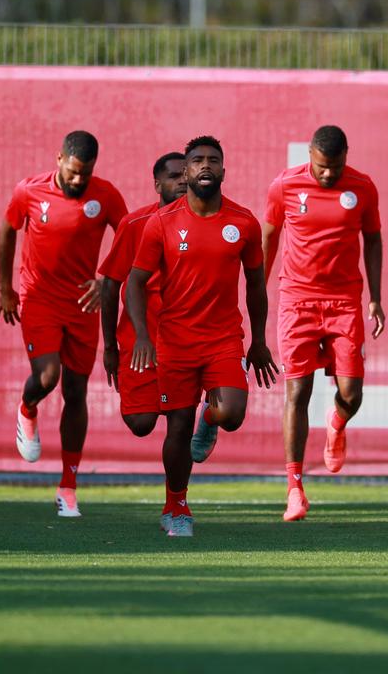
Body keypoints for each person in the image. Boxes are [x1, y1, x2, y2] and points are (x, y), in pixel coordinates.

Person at [127, 135, 278, 537]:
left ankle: (209, 419)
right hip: (175, 341)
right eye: (197, 160)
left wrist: (259, 341)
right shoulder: (162, 222)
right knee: (176, 427)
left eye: (213, 160)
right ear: (187, 170)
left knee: (231, 414)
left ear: (224, 170)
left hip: (223, 339)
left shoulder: (243, 222)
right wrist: (142, 335)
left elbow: (256, 285)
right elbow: (135, 282)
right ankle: (176, 505)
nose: (205, 165)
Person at [0, 131, 127, 517]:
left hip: (84, 305)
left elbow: (131, 237)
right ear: (59, 159)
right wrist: (5, 289)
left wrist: (105, 280)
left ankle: (68, 486)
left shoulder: (105, 195)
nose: (78, 179)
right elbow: (6, 231)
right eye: (73, 171)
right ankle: (28, 407)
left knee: (76, 391)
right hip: (39, 298)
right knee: (48, 376)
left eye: (85, 173)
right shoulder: (29, 191)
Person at [262, 125, 384, 522]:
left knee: (351, 393)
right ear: (310, 156)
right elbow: (269, 237)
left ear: (346, 155)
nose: (328, 174)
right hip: (297, 300)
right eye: (321, 167)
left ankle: (336, 423)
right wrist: (258, 290)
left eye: (335, 166)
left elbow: (373, 240)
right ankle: (295, 489)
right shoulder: (284, 185)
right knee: (297, 391)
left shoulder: (363, 187)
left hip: (344, 302)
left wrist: (375, 297)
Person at [99, 152, 186, 438]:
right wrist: (109, 347)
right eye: (174, 176)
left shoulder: (207, 223)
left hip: (186, 341)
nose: (183, 182)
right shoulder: (134, 224)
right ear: (157, 185)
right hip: (140, 339)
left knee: (181, 422)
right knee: (141, 422)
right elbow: (110, 286)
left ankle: (208, 413)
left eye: (186, 176)